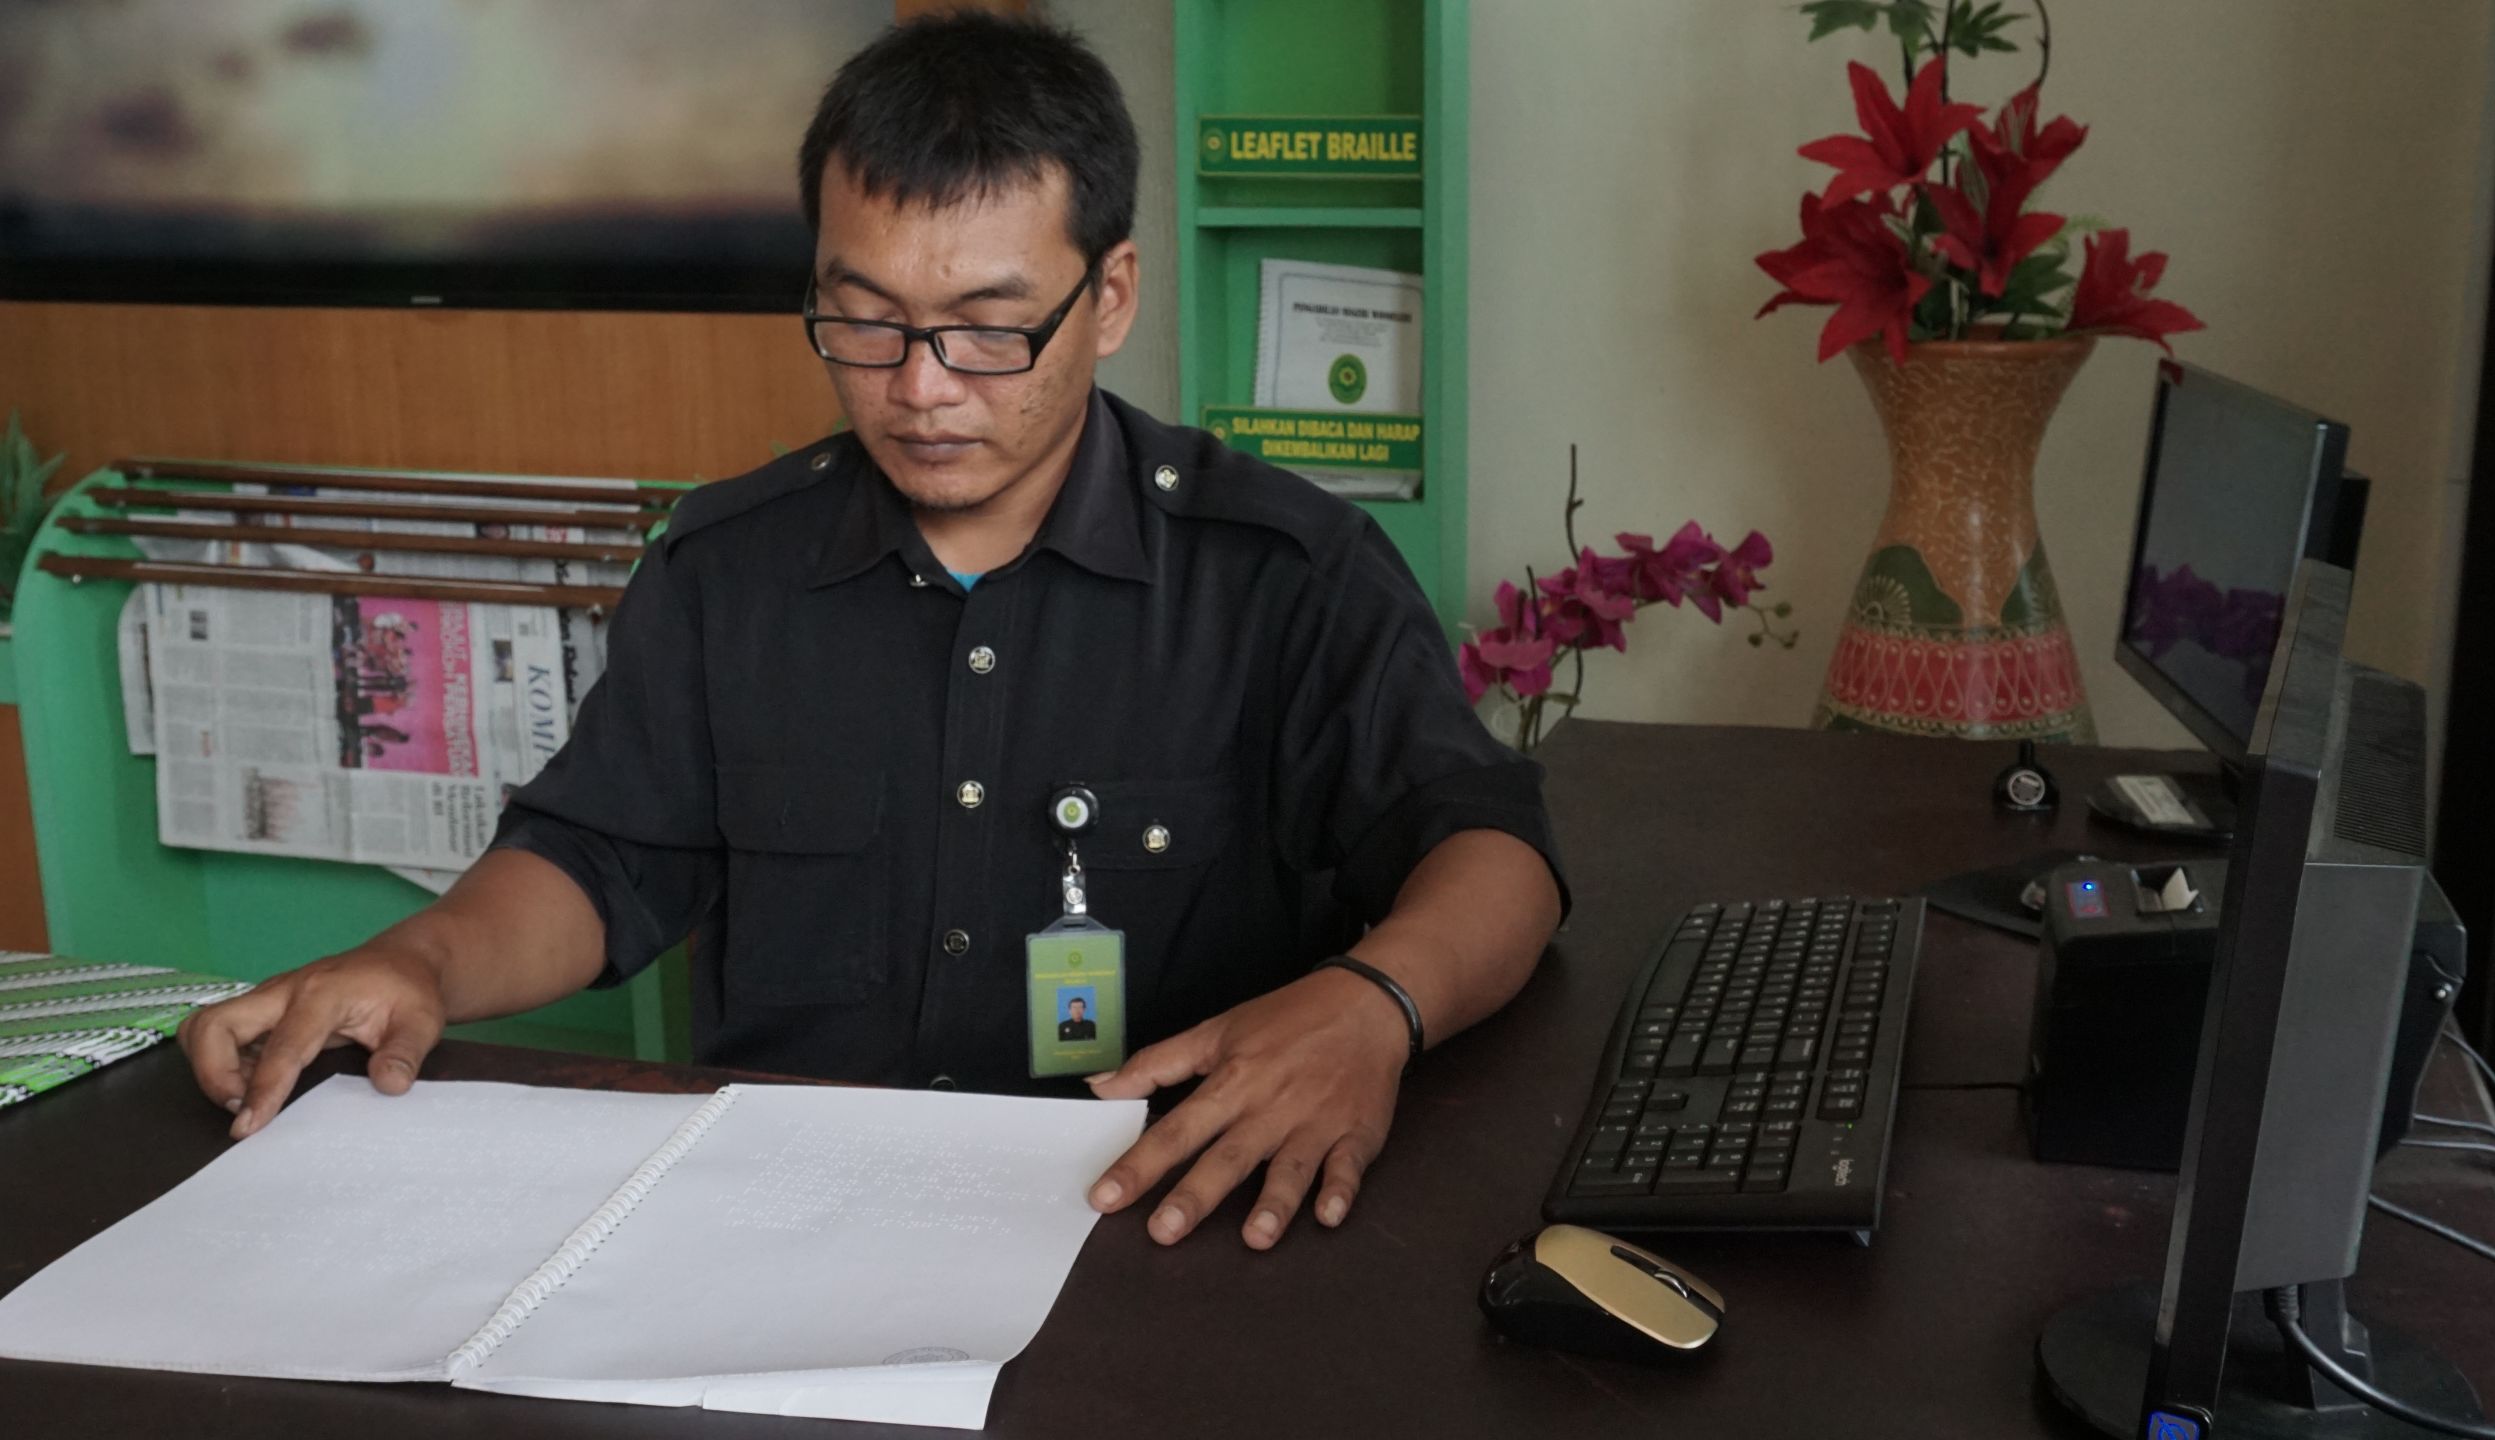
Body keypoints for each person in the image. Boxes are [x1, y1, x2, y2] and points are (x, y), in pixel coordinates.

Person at [179, 13, 1564, 1253]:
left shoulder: (1283, 573)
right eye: (864, 320)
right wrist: (419, 961)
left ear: (1112, 297)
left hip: (1151, 1220)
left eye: (988, 329)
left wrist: (1374, 1004)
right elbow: (598, 859)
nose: (921, 389)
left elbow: (1491, 852)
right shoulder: (727, 570)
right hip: (785, 1223)